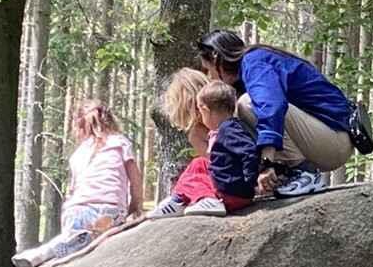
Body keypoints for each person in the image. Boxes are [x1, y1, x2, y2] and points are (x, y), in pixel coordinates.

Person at [196, 28, 356, 197]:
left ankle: (305, 173)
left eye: (209, 70)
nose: (210, 77)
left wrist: (267, 162)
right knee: (237, 117)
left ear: (216, 58)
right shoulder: (249, 68)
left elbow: (272, 106)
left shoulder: (254, 62)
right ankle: (286, 176)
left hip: (335, 139)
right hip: (321, 139)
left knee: (247, 104)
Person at [12, 100, 141, 267]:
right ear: (110, 121)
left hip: (75, 212)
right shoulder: (120, 142)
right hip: (108, 211)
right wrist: (135, 204)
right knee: (94, 234)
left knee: (74, 233)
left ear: (80, 128)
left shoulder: (78, 154)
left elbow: (73, 190)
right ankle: (67, 245)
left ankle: (48, 250)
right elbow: (135, 177)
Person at [147, 68, 228, 218]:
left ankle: (187, 199)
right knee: (195, 167)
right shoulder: (204, 129)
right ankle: (179, 199)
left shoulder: (202, 132)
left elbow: (214, 166)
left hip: (231, 179)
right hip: (230, 176)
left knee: (197, 166)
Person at [199, 80, 262, 213]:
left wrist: (251, 182)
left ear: (205, 110)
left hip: (232, 195)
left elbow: (249, 152)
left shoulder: (229, 130)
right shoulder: (230, 128)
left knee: (196, 168)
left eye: (201, 112)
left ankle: (178, 199)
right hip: (234, 191)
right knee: (201, 164)